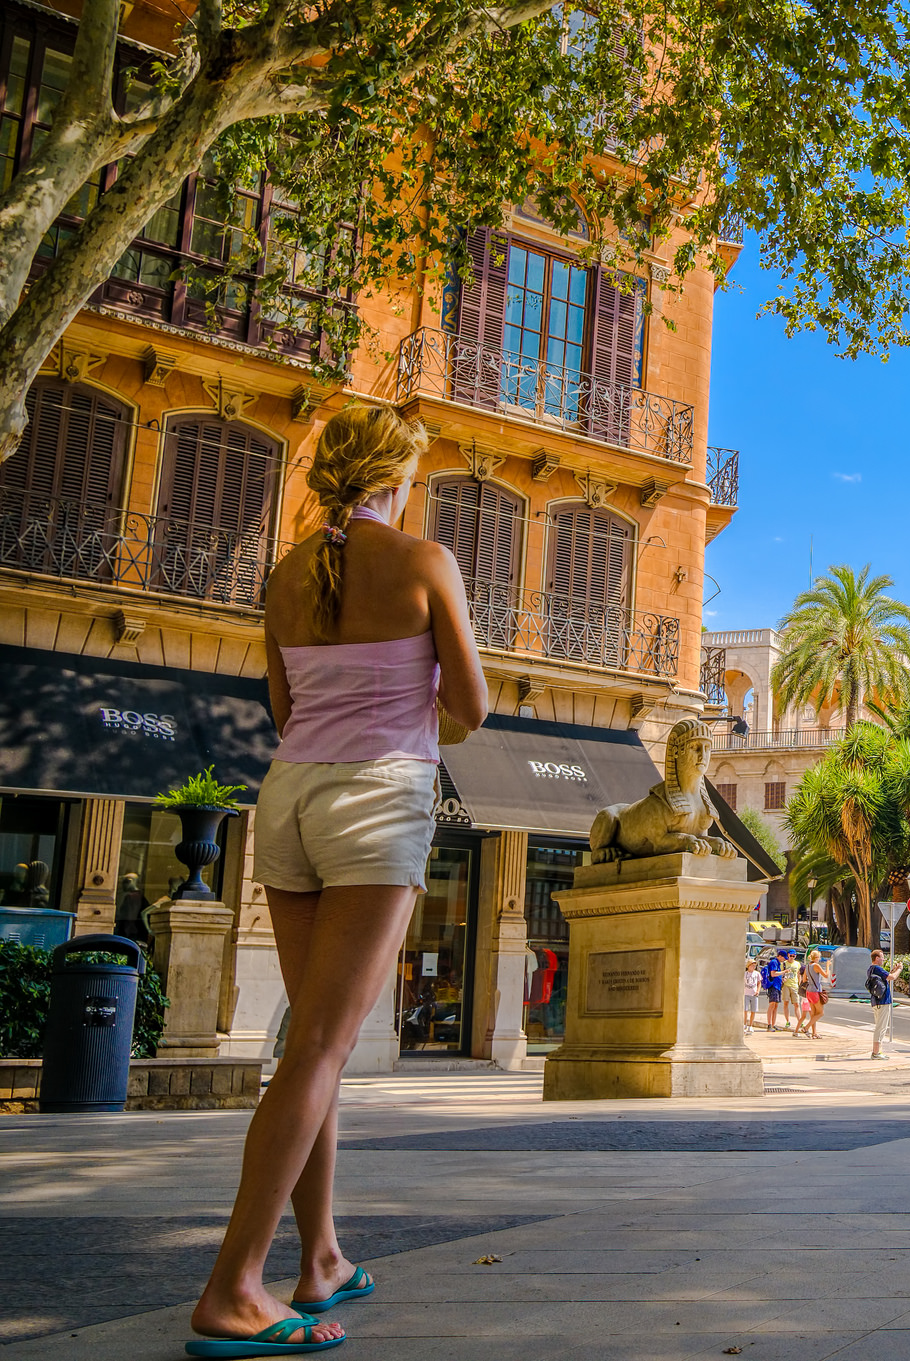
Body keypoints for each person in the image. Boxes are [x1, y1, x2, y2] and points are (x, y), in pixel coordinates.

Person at [189, 404, 486, 1356]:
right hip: (376, 799)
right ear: (398, 477)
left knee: (311, 1042)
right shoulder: (423, 560)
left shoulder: (284, 577)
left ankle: (317, 1256)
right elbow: (470, 707)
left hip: (289, 800)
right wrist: (409, 712)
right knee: (320, 1044)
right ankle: (234, 1286)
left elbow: (283, 706)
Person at [866, 949, 904, 1058]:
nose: (883, 959)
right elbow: (892, 977)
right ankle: (876, 1052)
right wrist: (900, 969)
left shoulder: (871, 969)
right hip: (882, 1001)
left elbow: (886, 978)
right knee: (881, 1027)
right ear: (877, 958)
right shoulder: (877, 968)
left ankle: (877, 1051)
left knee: (880, 1026)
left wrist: (894, 969)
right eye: (882, 957)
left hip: (877, 1001)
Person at [798, 948, 832, 1038]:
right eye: (819, 957)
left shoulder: (807, 966)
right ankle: (806, 1027)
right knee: (820, 1013)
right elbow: (826, 975)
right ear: (816, 957)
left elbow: (804, 979)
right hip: (815, 991)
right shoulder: (816, 966)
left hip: (808, 991)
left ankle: (814, 1033)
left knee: (813, 1014)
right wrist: (828, 966)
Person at [758, 948, 785, 1030]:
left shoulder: (778, 963)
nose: (784, 960)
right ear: (779, 956)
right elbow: (773, 974)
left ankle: (773, 1024)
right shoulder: (774, 962)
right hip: (773, 986)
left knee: (776, 1005)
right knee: (772, 1004)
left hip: (778, 986)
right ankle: (769, 1024)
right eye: (783, 958)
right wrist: (784, 972)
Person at [743, 955, 764, 1031]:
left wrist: (758, 991)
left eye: (755, 966)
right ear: (748, 966)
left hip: (754, 993)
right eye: (752, 965)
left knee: (753, 1010)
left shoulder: (757, 974)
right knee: (745, 1010)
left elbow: (759, 983)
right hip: (746, 993)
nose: (753, 967)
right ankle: (744, 1024)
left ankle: (750, 1025)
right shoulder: (745, 974)